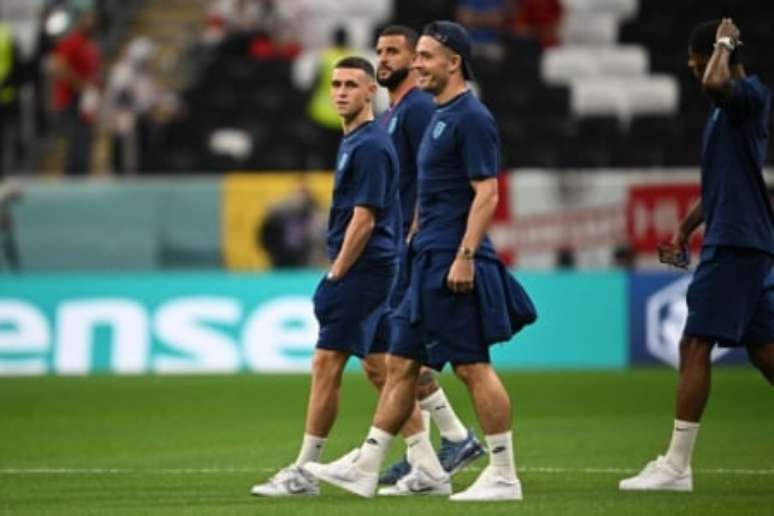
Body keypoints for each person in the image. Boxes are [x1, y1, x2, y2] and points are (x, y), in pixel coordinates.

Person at [303, 21, 537, 501]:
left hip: (451, 258)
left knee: (472, 366)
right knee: (400, 365)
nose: (416, 64)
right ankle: (371, 464)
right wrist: (412, 247)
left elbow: (487, 193)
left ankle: (504, 474)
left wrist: (466, 255)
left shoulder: (470, 117)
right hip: (423, 256)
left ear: (453, 62)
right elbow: (421, 197)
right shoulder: (435, 116)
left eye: (424, 56)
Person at [620, 18, 774, 492]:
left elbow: (714, 79)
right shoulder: (725, 110)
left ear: (713, 56)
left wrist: (723, 45)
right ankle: (675, 466)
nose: (691, 69)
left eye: (694, 58)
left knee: (693, 344)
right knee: (765, 350)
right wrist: (684, 230)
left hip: (736, 241)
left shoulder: (744, 95)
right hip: (741, 237)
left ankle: (677, 467)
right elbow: (720, 187)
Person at [250, 56, 402, 497]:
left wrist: (336, 273)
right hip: (372, 267)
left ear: (370, 91)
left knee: (325, 363)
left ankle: (304, 471)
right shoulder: (355, 140)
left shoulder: (370, 144)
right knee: (383, 369)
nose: (340, 92)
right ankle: (431, 460)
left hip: (362, 268)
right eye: (335, 84)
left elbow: (365, 218)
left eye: (352, 85)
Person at [373, 24, 485, 487]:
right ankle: (438, 445)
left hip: (417, 246)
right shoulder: (396, 111)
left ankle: (428, 453)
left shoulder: (419, 107)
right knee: (391, 356)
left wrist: (416, 233)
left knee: (391, 356)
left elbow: (434, 175)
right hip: (403, 244)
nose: (388, 59)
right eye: (380, 51)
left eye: (396, 51)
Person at [50, 6, 102, 175]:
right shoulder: (71, 42)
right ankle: (72, 178)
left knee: (85, 142)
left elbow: (94, 73)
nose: (91, 23)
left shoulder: (91, 45)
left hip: (86, 102)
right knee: (76, 144)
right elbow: (58, 67)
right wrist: (81, 85)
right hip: (72, 99)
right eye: (88, 19)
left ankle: (82, 176)